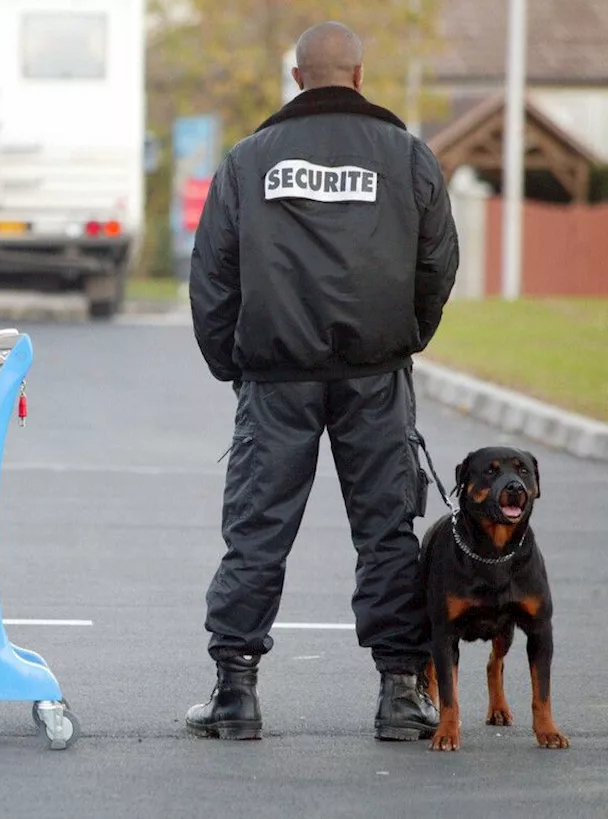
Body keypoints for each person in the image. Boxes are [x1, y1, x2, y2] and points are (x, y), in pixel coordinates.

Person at [185, 21, 459, 742]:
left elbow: (211, 276)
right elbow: (438, 265)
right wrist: (403, 339)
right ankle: (401, 692)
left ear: (299, 78)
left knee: (257, 530)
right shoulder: (408, 158)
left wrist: (231, 362)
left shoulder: (249, 162)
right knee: (387, 529)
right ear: (360, 77)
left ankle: (235, 693)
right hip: (373, 376)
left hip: (276, 379)